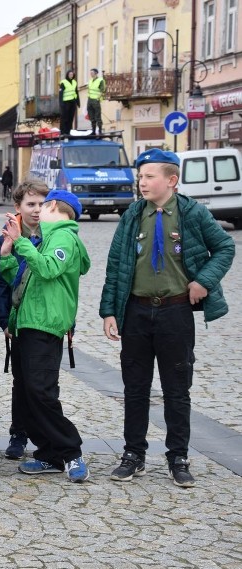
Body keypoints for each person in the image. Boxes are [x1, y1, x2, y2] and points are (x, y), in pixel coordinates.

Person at [100, 150, 235, 488]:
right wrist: (109, 311)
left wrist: (204, 281)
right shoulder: (133, 214)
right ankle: (134, 454)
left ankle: (178, 457)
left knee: (177, 389)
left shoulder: (192, 213)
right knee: (135, 387)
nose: (141, 182)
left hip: (175, 311)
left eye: (148, 176)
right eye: (140, 177)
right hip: (137, 310)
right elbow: (116, 264)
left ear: (171, 180)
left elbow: (225, 248)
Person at [0, 190, 91, 483]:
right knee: (29, 395)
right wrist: (7, 255)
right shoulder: (44, 239)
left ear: (53, 206)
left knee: (41, 392)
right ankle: (49, 454)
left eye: (42, 205)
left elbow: (49, 269)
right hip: (28, 323)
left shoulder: (63, 236)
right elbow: (23, 280)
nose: (37, 211)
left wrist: (22, 242)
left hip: (45, 326)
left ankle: (70, 450)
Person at [0, 178, 49, 460]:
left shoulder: (53, 234)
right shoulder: (9, 236)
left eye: (41, 203)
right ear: (18, 206)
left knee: (44, 383)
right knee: (22, 380)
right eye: (31, 204)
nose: (37, 210)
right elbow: (1, 284)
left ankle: (44, 434)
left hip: (44, 319)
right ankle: (19, 433)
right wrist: (4, 320)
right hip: (18, 319)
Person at [59, 70, 79, 134]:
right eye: (70, 74)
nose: (71, 75)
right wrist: (61, 103)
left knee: (71, 118)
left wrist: (78, 102)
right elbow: (61, 93)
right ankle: (63, 132)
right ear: (67, 75)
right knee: (65, 117)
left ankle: (69, 131)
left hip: (73, 102)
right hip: (66, 102)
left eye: (72, 74)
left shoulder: (74, 82)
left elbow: (76, 92)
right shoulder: (63, 82)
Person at [87, 69, 106, 135]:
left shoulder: (100, 80)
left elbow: (102, 90)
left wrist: (98, 98)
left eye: (92, 73)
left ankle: (100, 131)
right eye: (90, 72)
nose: (91, 74)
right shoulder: (90, 81)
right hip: (90, 100)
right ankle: (93, 131)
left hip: (96, 100)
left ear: (96, 73)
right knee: (91, 116)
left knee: (97, 116)